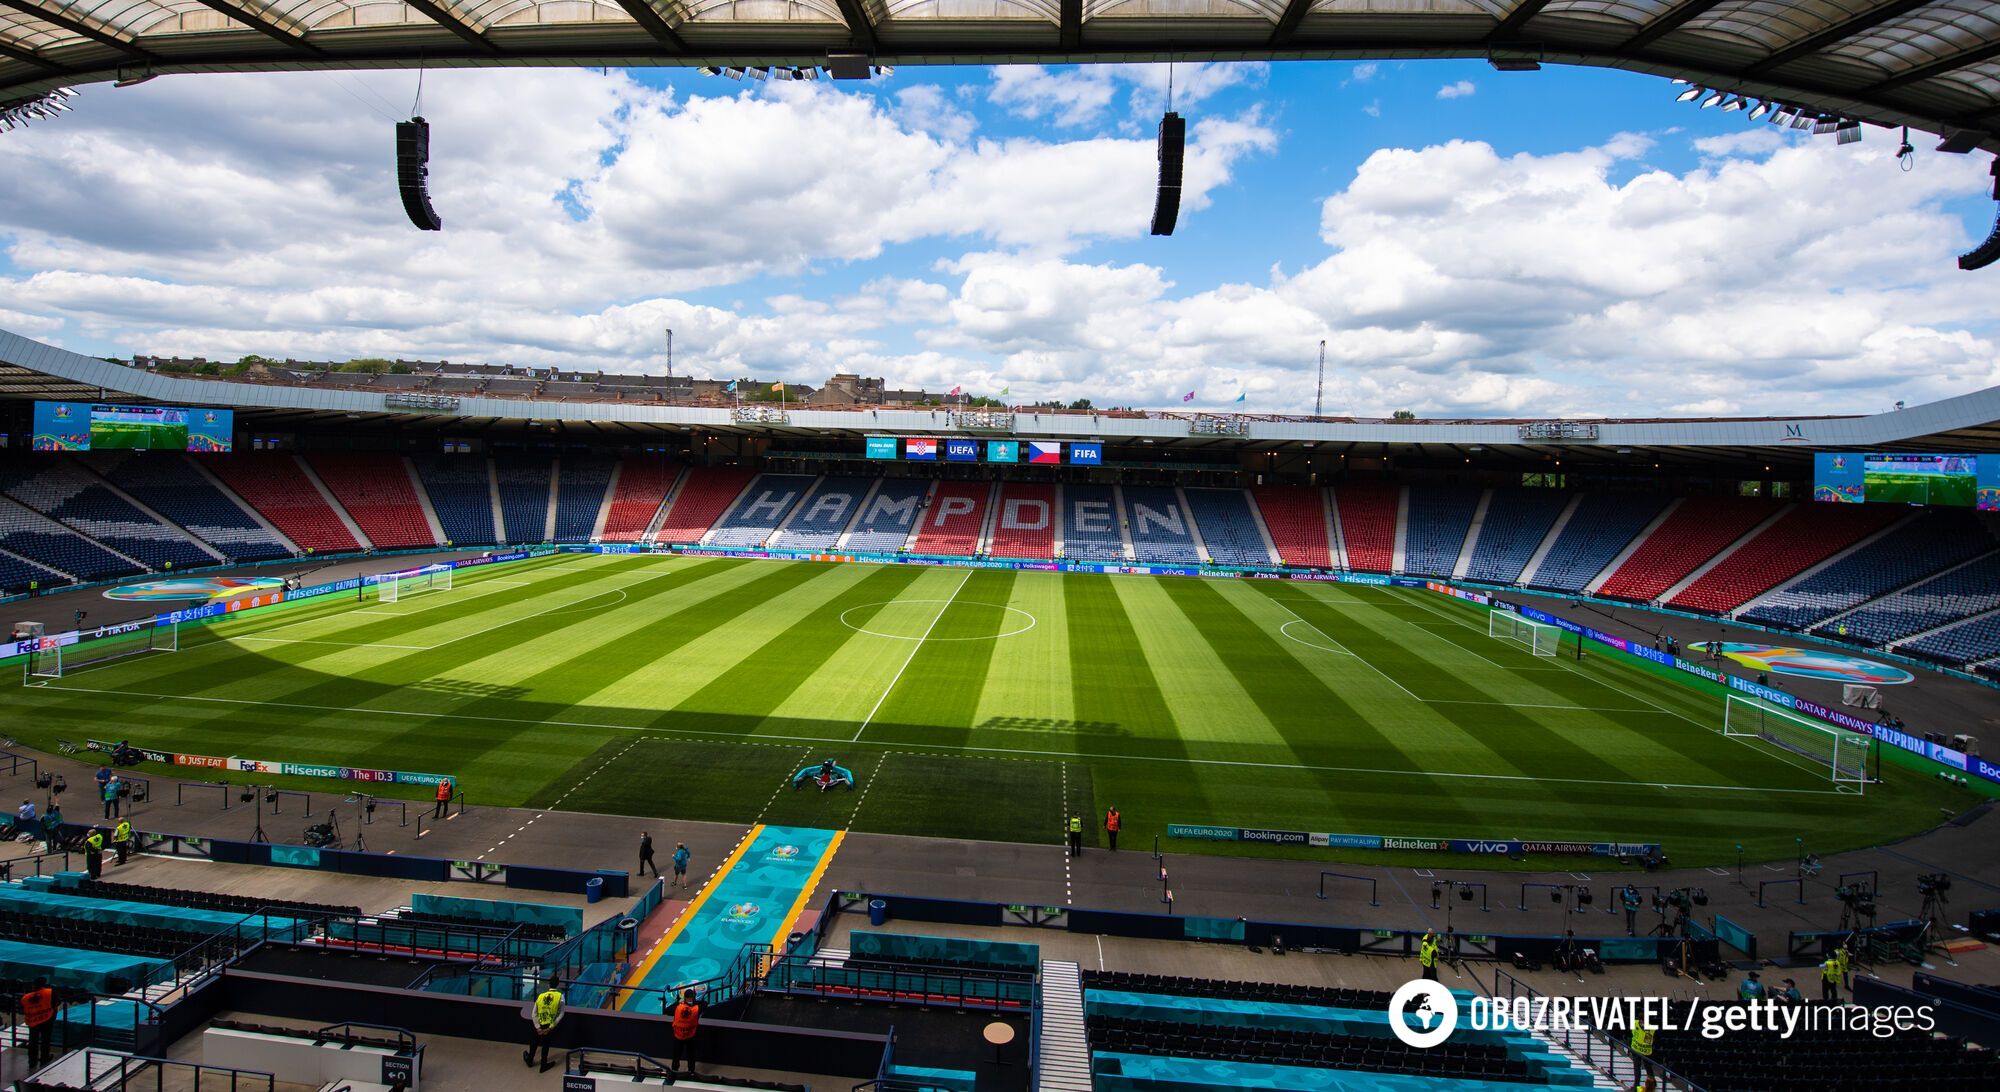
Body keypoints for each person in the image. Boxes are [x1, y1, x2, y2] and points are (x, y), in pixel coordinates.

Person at [523, 982, 563, 1071]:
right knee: (545, 1045)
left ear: (548, 985)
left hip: (539, 1022)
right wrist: (551, 1027)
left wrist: (538, 1027)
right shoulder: (560, 996)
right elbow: (561, 1013)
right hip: (549, 1024)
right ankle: (543, 1065)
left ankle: (530, 1060)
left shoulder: (540, 996)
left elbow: (534, 1014)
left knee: (534, 1042)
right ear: (557, 985)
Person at [21, 977, 55, 1069]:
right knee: (45, 1040)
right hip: (46, 1019)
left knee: (33, 1041)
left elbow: (23, 1009)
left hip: (32, 1021)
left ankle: (32, 1061)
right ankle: (44, 1058)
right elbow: (56, 1003)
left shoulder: (25, 997)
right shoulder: (49, 992)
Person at [669, 987, 702, 1074]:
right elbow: (705, 1004)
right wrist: (694, 1002)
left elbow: (666, 1010)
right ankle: (691, 1072)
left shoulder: (677, 1007)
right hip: (690, 1036)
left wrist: (678, 1002)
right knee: (691, 1056)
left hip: (678, 1036)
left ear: (684, 998)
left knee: (676, 1056)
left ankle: (674, 1072)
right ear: (693, 997)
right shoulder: (696, 1008)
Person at [1630, 1021, 1657, 1092]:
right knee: (1638, 1068)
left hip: (1645, 1051)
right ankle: (1636, 1084)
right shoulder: (1636, 1023)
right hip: (1637, 1050)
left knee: (1647, 1067)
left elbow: (1650, 1040)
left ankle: (1651, 1084)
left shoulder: (1650, 1029)